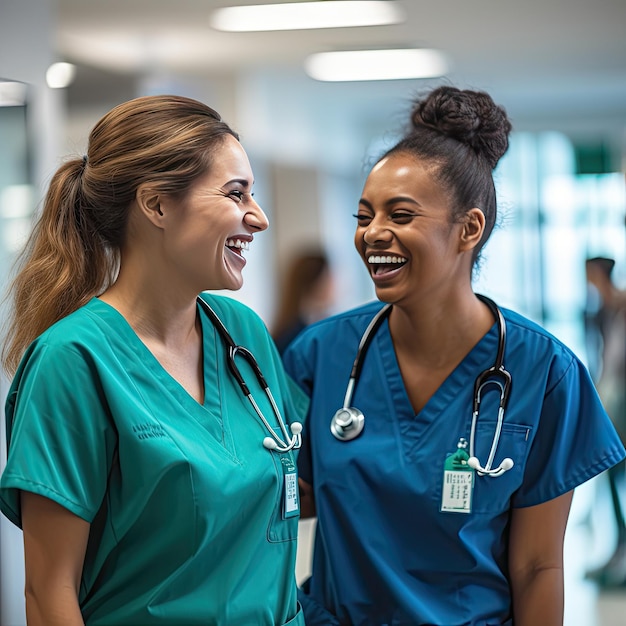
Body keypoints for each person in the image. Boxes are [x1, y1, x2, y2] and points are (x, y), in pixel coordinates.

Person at [282, 86, 626, 626]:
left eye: (401, 214)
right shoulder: (321, 355)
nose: (374, 233)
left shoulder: (546, 374)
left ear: (469, 229)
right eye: (364, 214)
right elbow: (285, 498)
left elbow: (538, 566)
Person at [0, 95, 307, 625]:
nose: (257, 218)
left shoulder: (243, 334)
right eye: (237, 194)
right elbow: (49, 594)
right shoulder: (73, 362)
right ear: (158, 205)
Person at [584, 256, 626, 587]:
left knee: (615, 470)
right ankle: (618, 548)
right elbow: (605, 360)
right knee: (611, 470)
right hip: (613, 397)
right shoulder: (601, 312)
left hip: (621, 399)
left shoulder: (621, 307)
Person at [271, 248, 334, 355]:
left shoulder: (296, 327)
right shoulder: (295, 336)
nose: (333, 283)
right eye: (328, 277)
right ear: (316, 283)